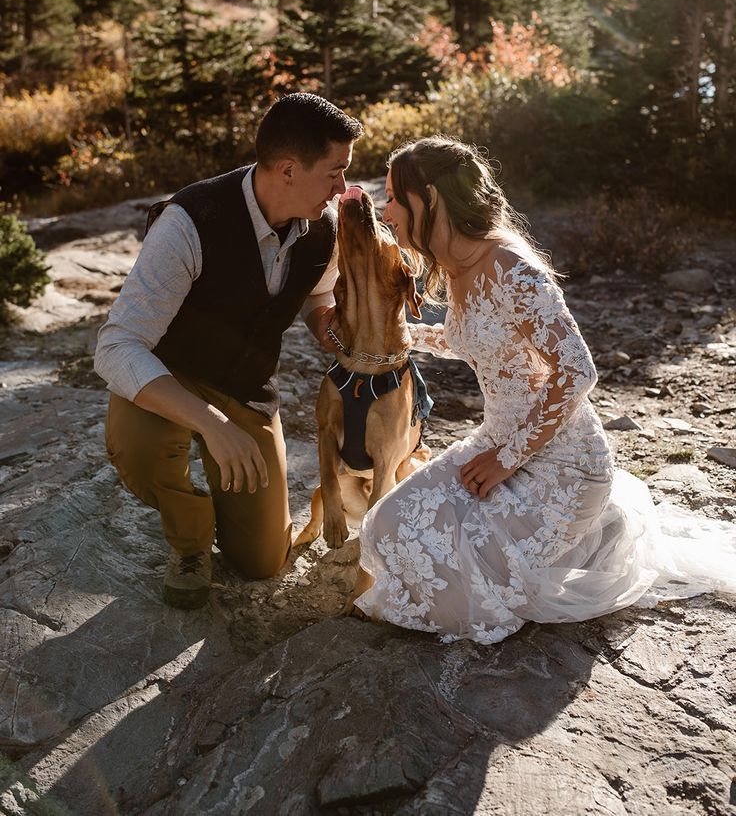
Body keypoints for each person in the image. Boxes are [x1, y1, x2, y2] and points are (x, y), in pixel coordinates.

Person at [355, 136, 736, 643]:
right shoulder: (457, 266)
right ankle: (580, 543)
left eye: (395, 198)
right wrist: (399, 339)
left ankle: (587, 537)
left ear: (430, 197)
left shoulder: (514, 268)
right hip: (496, 442)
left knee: (448, 572)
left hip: (563, 467)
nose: (387, 210)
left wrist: (506, 459)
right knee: (387, 525)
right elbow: (477, 338)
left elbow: (577, 371)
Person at [95, 93, 363, 609]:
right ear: (288, 169)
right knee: (141, 452)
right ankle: (190, 541)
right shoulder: (189, 221)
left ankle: (232, 513)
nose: (343, 188)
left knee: (263, 562)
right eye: (335, 172)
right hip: (169, 376)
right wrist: (213, 425)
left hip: (247, 386)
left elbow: (316, 293)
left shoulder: (325, 226)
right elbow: (117, 345)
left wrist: (332, 332)